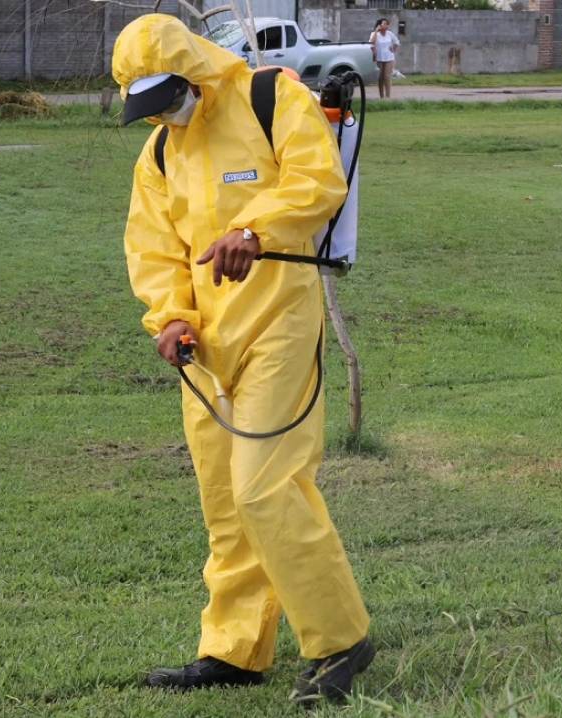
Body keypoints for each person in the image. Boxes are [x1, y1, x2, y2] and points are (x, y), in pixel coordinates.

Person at [111, 13, 374, 707]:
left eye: (171, 95)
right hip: (206, 343)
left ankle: (339, 639)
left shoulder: (269, 98)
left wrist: (253, 228)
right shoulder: (160, 155)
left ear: (196, 67)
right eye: (151, 105)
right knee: (226, 503)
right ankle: (233, 650)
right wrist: (169, 318)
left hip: (278, 321)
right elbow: (153, 248)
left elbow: (318, 182)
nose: (165, 113)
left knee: (266, 485)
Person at [369, 18, 400, 99]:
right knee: (380, 77)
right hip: (379, 58)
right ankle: (381, 96)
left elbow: (397, 42)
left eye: (387, 24)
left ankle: (388, 96)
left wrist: (393, 48)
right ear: (379, 25)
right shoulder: (374, 34)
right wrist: (376, 31)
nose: (386, 26)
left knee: (387, 76)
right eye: (384, 24)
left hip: (389, 58)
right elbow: (371, 43)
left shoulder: (390, 34)